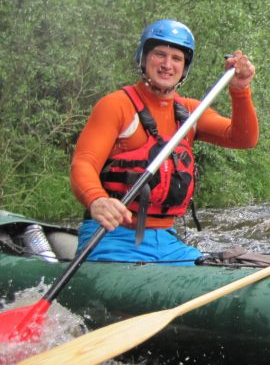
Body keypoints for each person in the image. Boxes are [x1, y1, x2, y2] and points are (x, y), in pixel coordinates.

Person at [70, 19, 258, 266]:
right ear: (144, 58)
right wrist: (97, 199)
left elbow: (243, 138)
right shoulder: (116, 105)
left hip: (168, 243)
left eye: (176, 58)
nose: (167, 65)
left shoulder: (189, 111)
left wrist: (240, 89)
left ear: (184, 67)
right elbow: (84, 162)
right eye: (160, 54)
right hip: (111, 239)